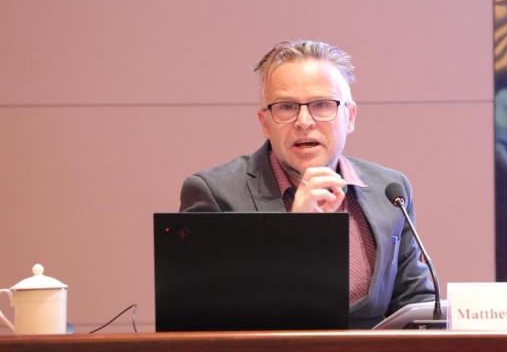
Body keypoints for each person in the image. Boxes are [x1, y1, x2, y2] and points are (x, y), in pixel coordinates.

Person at [179, 40, 434, 328]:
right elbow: (199, 319)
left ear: (350, 116)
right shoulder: (215, 194)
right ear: (265, 123)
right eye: (286, 107)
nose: (303, 121)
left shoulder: (391, 189)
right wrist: (296, 232)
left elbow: (418, 306)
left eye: (322, 105)